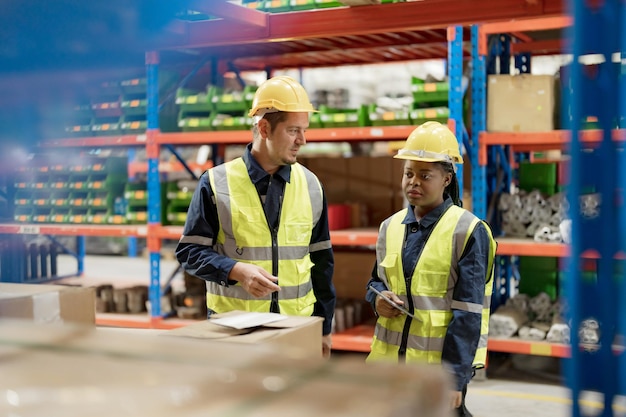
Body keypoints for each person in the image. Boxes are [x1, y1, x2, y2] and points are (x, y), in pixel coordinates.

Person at [175, 75, 336, 358]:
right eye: (293, 131)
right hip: (235, 334)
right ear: (264, 128)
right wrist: (235, 270)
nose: (303, 140)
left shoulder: (311, 185)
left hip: (295, 329)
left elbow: (322, 264)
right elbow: (189, 252)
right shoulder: (216, 183)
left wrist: (324, 328)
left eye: (304, 130)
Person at [364, 121, 497, 416]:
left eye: (425, 175)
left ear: (447, 179)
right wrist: (378, 300)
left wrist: (453, 378)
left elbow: (468, 313)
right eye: (408, 173)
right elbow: (376, 281)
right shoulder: (390, 227)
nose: (414, 182)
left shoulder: (468, 231)